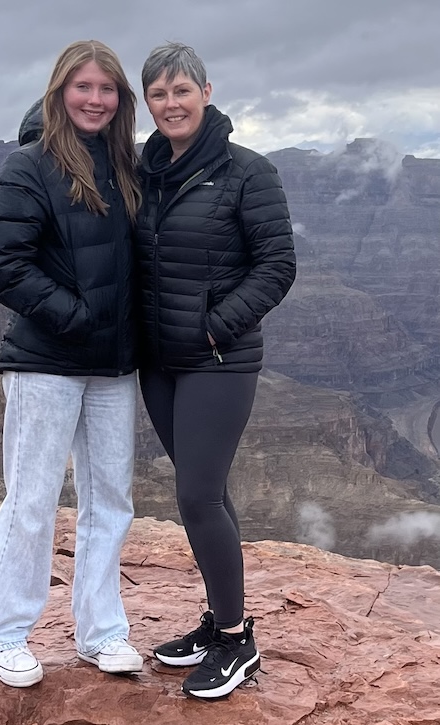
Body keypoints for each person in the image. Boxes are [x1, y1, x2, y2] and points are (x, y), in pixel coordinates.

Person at [0, 40, 143, 688]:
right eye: (83, 87)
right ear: (60, 91)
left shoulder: (127, 165)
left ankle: (102, 631)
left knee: (110, 500)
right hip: (46, 360)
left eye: (107, 89)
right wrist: (77, 317)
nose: (95, 99)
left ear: (119, 99)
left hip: (115, 366)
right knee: (34, 498)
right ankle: (1, 630)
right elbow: (6, 267)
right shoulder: (29, 166)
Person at [135, 42, 296, 699]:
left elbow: (277, 266)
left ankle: (236, 640)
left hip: (218, 360)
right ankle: (217, 619)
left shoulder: (246, 172)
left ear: (206, 91)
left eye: (181, 90)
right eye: (159, 94)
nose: (171, 103)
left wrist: (214, 324)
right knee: (210, 492)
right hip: (159, 361)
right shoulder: (148, 171)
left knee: (197, 495)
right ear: (147, 103)